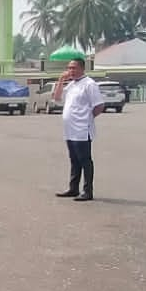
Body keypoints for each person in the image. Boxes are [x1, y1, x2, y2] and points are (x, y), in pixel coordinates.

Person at [52, 58, 104, 201]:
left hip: (82, 129)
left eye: (74, 68)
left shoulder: (89, 84)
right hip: (70, 130)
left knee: (85, 160)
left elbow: (99, 106)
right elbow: (56, 98)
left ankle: (88, 191)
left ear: (82, 68)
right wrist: (61, 80)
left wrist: (87, 118)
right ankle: (73, 188)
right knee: (74, 160)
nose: (71, 71)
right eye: (69, 68)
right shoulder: (72, 85)